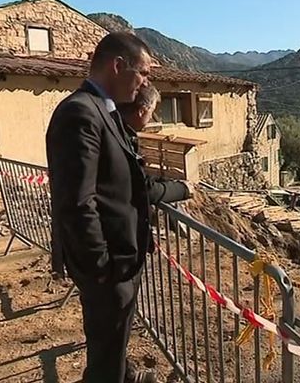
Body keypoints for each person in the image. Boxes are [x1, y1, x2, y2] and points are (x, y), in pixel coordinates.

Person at [46, 32, 159, 383]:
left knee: (111, 341)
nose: (145, 83)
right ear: (117, 65)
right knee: (106, 344)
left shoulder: (103, 111)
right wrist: (101, 266)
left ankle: (121, 374)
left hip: (118, 259)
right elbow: (77, 202)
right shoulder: (80, 113)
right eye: (143, 73)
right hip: (107, 266)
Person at [117, 83, 193, 204]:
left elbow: (139, 177)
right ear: (142, 111)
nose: (152, 117)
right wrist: (183, 190)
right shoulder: (118, 141)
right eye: (151, 112)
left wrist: (167, 181)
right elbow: (143, 190)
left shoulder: (121, 133)